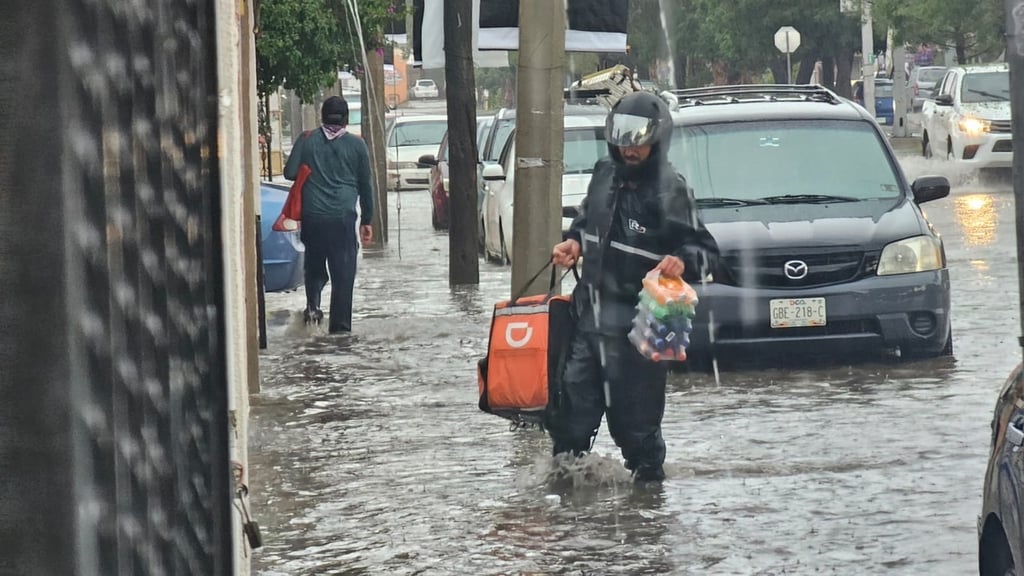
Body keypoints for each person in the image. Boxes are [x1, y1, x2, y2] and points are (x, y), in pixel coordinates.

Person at [547, 91, 719, 483]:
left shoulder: (669, 189)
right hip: (587, 320)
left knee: (636, 431)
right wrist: (573, 242)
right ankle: (564, 512)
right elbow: (585, 221)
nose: (630, 149)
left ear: (657, 140)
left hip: (639, 332)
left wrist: (683, 260)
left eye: (639, 140)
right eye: (624, 139)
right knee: (569, 420)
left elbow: (707, 251)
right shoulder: (603, 173)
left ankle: (647, 506)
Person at [284, 96, 375, 333]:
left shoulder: (307, 140)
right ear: (346, 118)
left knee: (314, 266)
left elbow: (290, 172)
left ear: (322, 116)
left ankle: (313, 309)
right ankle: (340, 334)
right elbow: (366, 186)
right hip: (343, 220)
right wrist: (367, 220)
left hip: (313, 218)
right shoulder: (358, 145)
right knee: (343, 277)